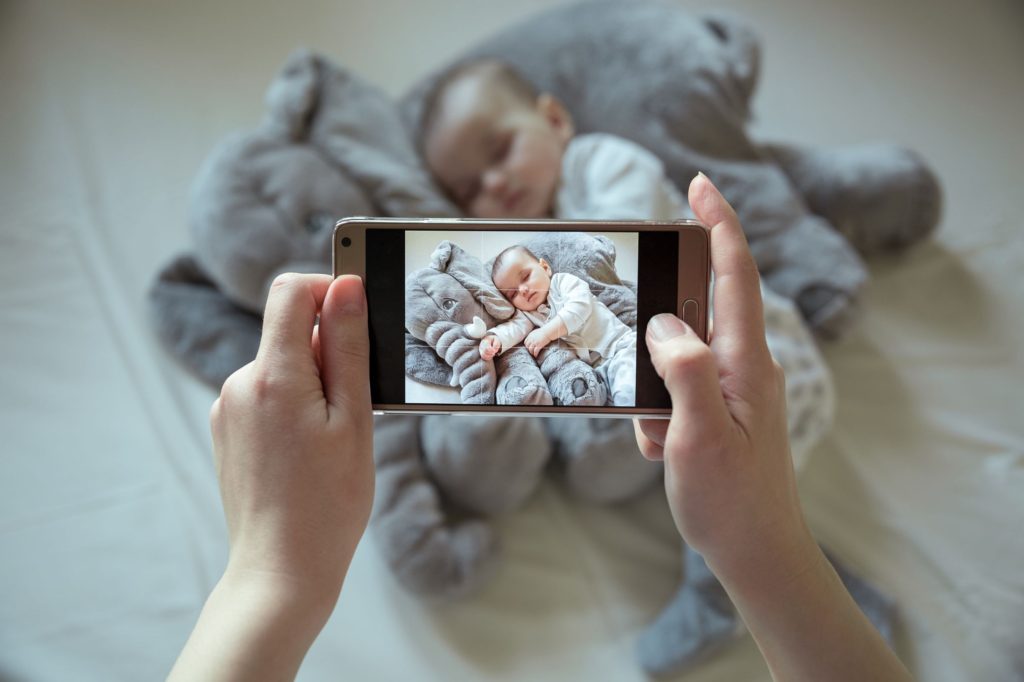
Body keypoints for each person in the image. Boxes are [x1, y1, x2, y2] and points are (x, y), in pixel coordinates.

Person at [169, 174, 914, 681]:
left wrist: (267, 578)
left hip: (629, 346)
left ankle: (734, 585)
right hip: (605, 378)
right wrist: (506, 338)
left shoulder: (570, 283)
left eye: (526, 274)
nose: (523, 288)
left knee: (622, 393)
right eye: (512, 287)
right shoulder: (520, 308)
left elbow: (569, 316)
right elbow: (520, 336)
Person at [419, 59, 688, 223]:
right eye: (470, 191)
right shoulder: (521, 235)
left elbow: (626, 238)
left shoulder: (605, 161)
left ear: (554, 119)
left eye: (501, 151)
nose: (494, 184)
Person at [480, 244, 637, 406]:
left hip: (621, 348)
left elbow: (580, 307)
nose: (523, 290)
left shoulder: (563, 283)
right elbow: (513, 328)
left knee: (627, 394)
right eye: (513, 293)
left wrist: (546, 333)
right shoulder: (528, 314)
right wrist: (494, 339)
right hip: (598, 371)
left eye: (526, 277)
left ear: (545, 267)